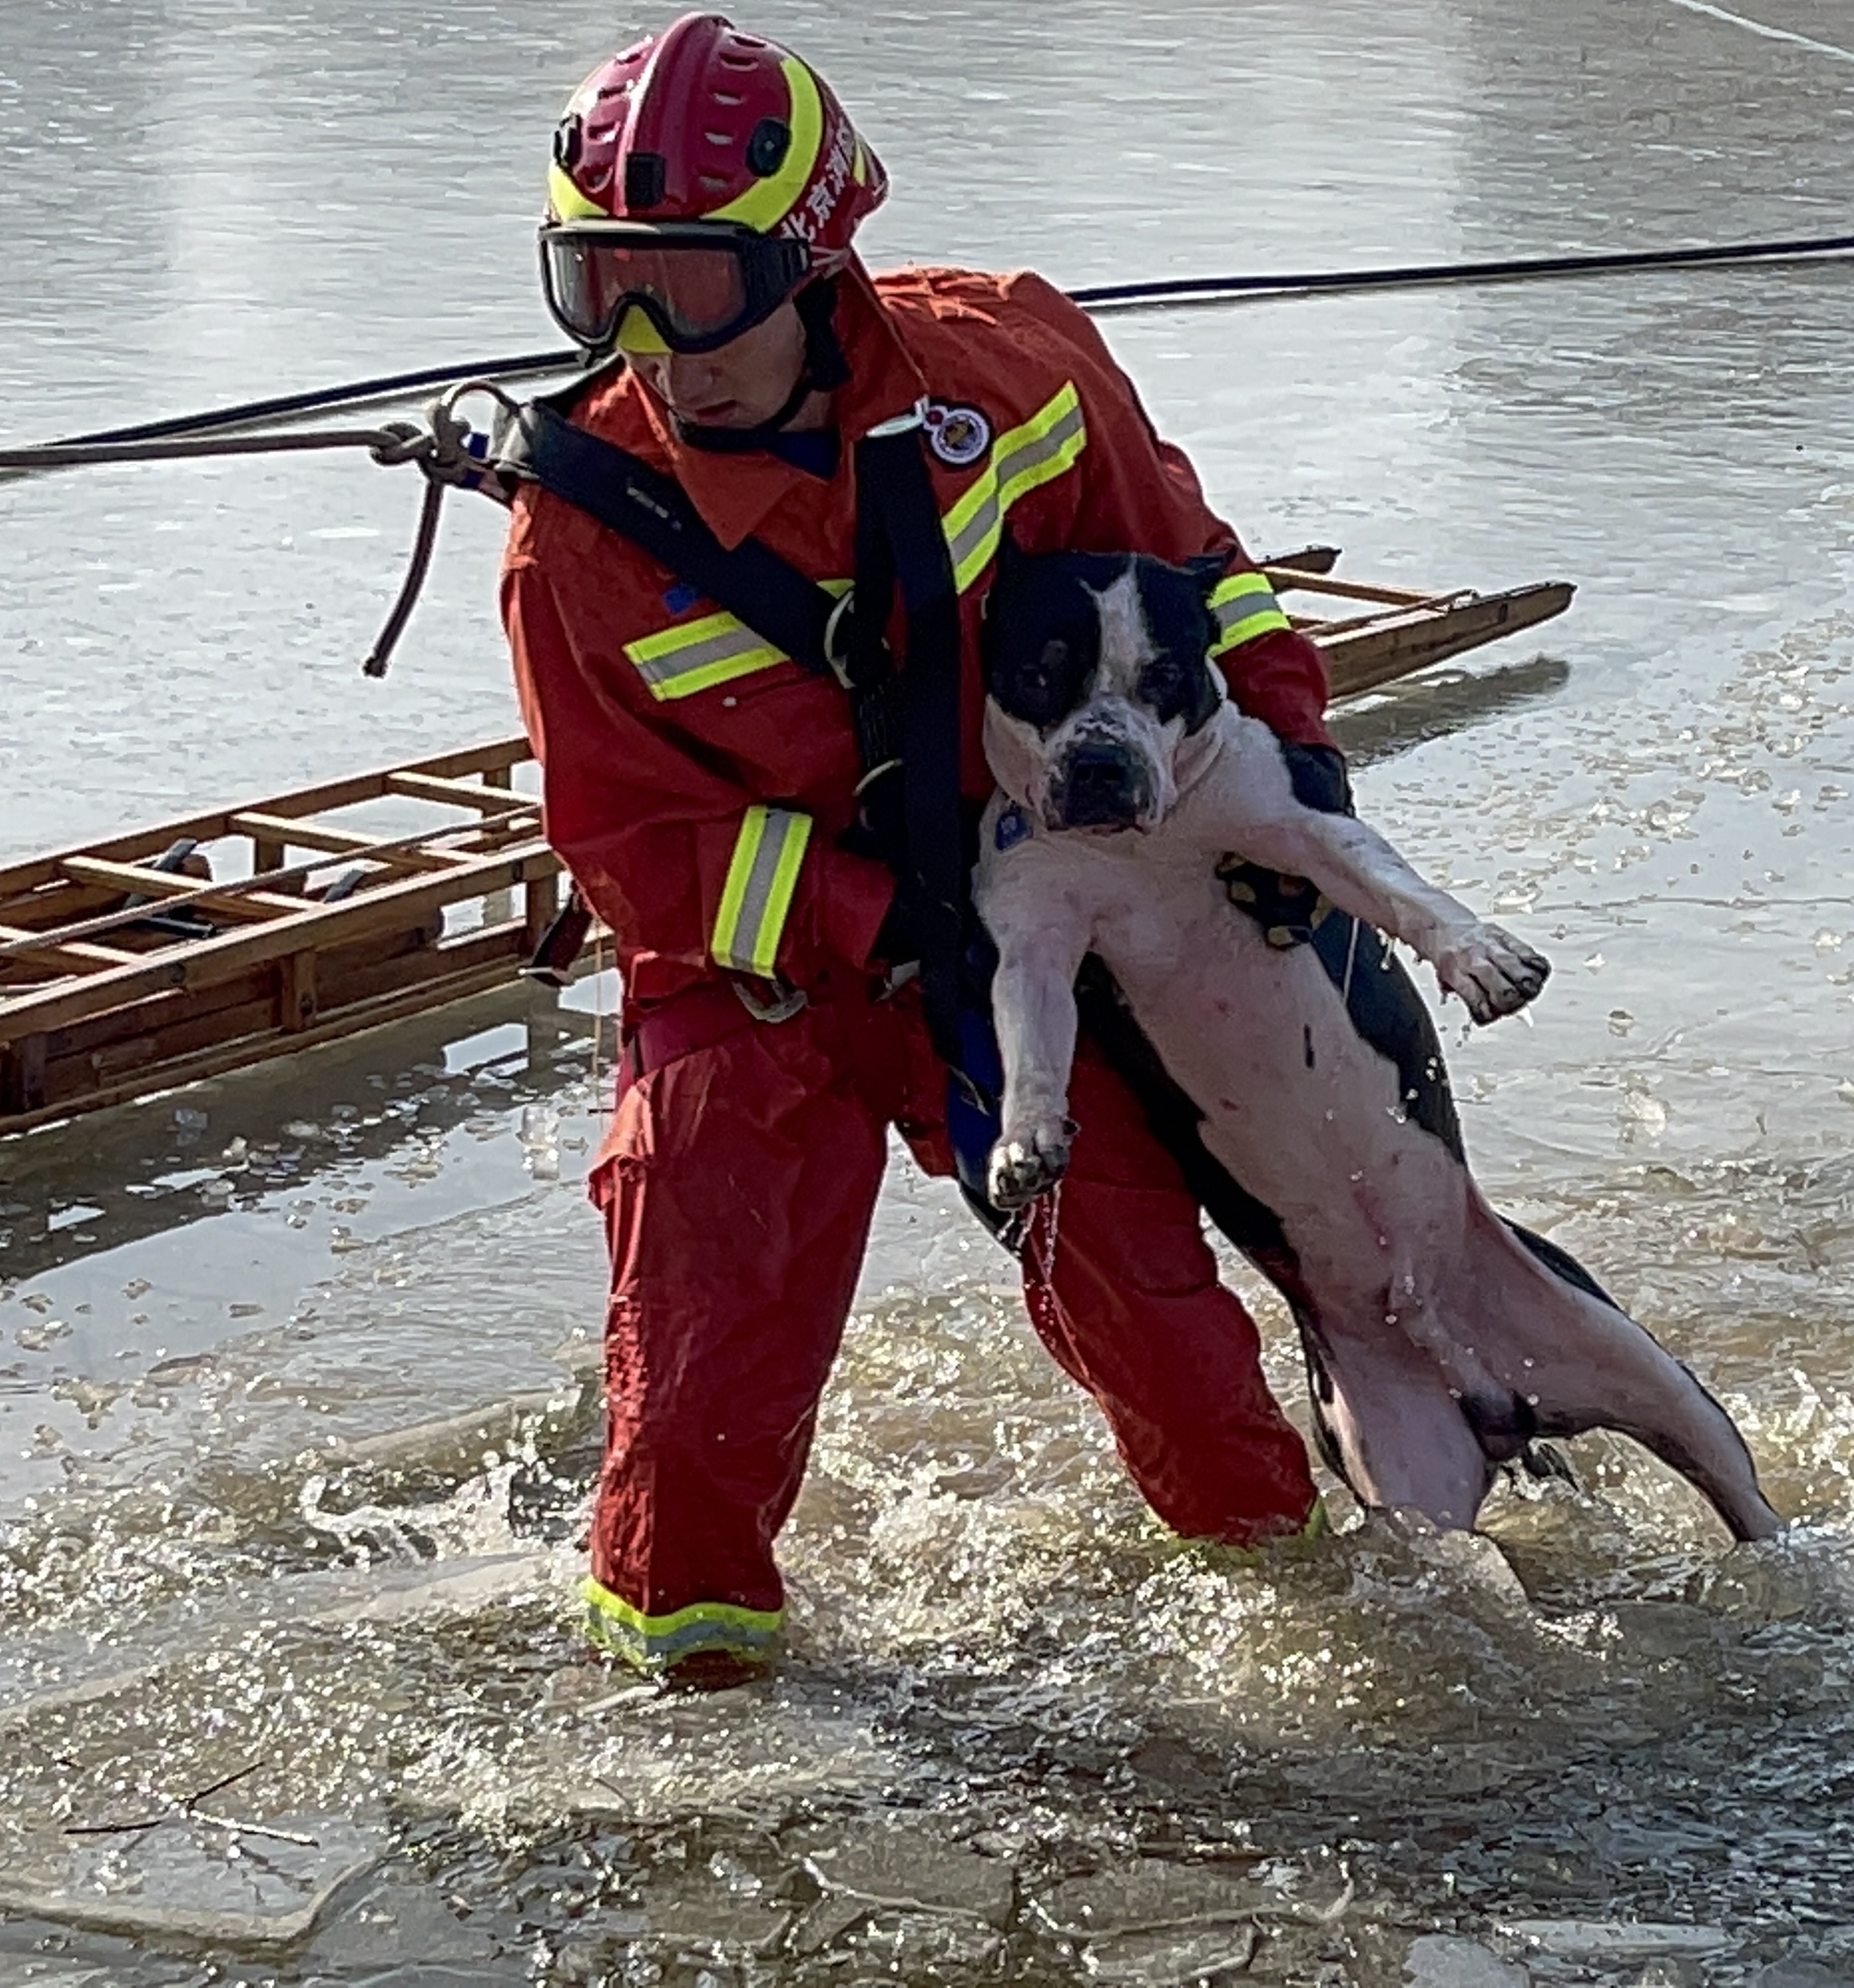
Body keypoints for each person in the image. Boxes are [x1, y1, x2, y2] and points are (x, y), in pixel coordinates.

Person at [502, 14, 1350, 1688]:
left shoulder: (1013, 373)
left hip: (1003, 948)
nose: (658, 346)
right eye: (605, 286)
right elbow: (630, 846)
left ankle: (1307, 1609)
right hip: (748, 985)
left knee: (1166, 1332)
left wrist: (1297, 768)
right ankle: (688, 1714)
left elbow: (1196, 574)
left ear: (817, 265)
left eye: (698, 283)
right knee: (691, 1413)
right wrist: (878, 919)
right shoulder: (574, 538)